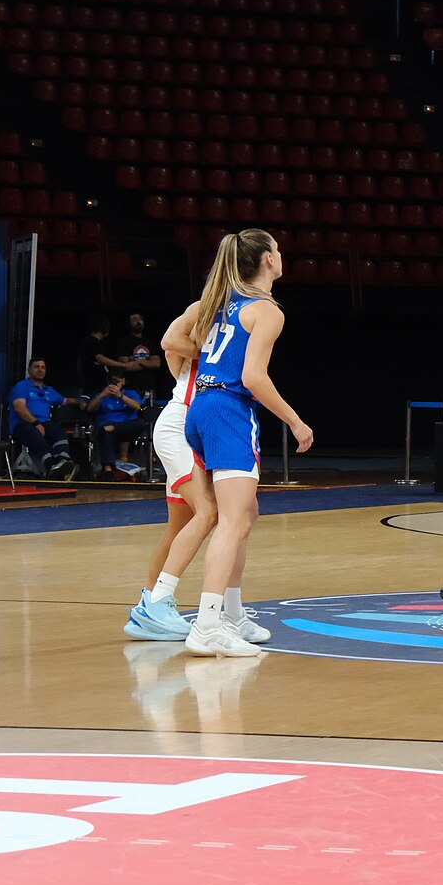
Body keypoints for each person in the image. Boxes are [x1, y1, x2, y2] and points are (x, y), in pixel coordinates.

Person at [180, 229, 314, 658]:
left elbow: (170, 341)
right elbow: (255, 378)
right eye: (278, 248)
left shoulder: (219, 301)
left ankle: (233, 614)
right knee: (232, 522)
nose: (281, 254)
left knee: (244, 515)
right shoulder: (266, 310)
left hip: (201, 404)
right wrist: (295, 421)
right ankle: (206, 625)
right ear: (267, 261)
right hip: (227, 410)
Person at [122, 342, 218, 643]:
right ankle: (157, 602)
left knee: (177, 528)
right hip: (179, 426)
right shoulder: (204, 317)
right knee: (208, 513)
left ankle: (149, 604)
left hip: (197, 431)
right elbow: (168, 343)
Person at [7, 358, 79, 480]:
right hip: (22, 425)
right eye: (36, 367)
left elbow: (65, 400)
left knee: (58, 431)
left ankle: (63, 463)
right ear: (29, 370)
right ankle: (51, 467)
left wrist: (81, 402)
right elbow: (19, 408)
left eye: (43, 367)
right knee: (34, 433)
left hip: (43, 423)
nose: (40, 370)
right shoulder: (22, 386)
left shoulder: (48, 390)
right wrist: (36, 423)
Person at [89, 376, 150, 478]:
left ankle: (112, 428)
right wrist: (102, 395)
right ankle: (108, 470)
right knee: (107, 434)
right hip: (106, 426)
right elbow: (90, 409)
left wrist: (120, 396)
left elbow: (137, 407)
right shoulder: (102, 394)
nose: (115, 384)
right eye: (113, 382)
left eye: (118, 381)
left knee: (140, 423)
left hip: (127, 427)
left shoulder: (130, 394)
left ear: (123, 381)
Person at [78, 314, 131, 394]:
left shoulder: (94, 342)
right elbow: (100, 358)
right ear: (105, 328)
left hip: (97, 385)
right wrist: (122, 365)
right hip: (92, 387)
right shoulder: (91, 341)